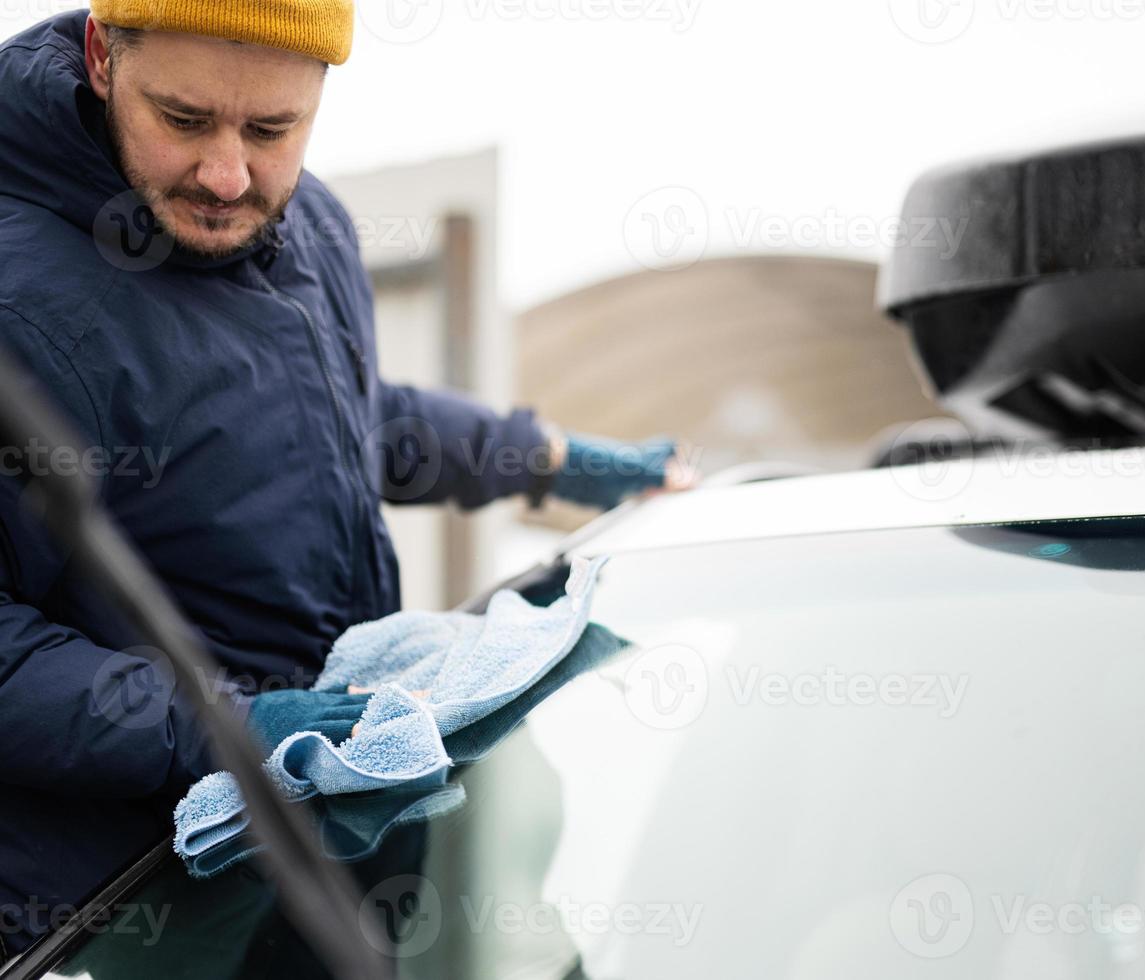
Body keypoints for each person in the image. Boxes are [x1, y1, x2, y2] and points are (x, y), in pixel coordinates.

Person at [0, 2, 695, 959]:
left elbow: (330, 422)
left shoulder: (308, 224)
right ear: (101, 58)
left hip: (312, 888)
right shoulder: (17, 295)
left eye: (273, 129)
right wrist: (220, 731)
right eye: (186, 120)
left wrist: (552, 459)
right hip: (122, 924)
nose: (227, 173)